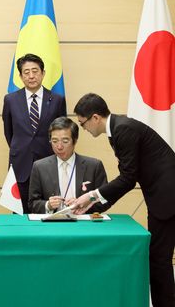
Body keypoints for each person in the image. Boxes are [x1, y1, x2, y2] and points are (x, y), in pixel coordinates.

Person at [72, 93, 175, 307]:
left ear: (95, 118)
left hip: (167, 196)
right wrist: (95, 206)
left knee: (159, 259)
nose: (84, 129)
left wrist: (91, 196)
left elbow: (128, 178)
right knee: (157, 258)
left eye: (83, 124)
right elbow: (128, 179)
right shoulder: (117, 130)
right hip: (160, 196)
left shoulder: (123, 129)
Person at [2, 53, 66, 213]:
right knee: (19, 211)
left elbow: (62, 130)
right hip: (20, 163)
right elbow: (9, 132)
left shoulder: (57, 99)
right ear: (20, 76)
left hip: (49, 162)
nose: (31, 76)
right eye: (26, 72)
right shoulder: (10, 100)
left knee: (49, 209)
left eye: (35, 71)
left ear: (43, 73)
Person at [29, 116, 110, 214]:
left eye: (65, 141)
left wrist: (83, 204)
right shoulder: (39, 167)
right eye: (54, 141)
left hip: (83, 223)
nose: (59, 146)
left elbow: (105, 200)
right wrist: (48, 205)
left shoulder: (94, 166)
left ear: (75, 141)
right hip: (52, 225)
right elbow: (32, 203)